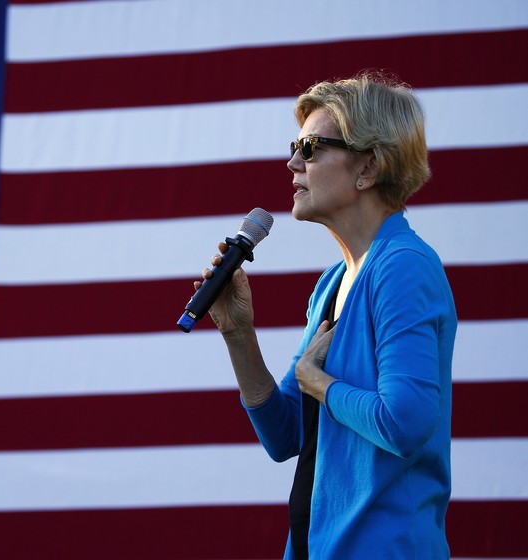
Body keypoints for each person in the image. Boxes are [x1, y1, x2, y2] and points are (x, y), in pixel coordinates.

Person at [196, 72, 457, 558]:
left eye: (311, 147)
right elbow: (285, 435)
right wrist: (239, 334)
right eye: (295, 145)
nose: (293, 161)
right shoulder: (331, 284)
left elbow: (406, 422)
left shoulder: (402, 267)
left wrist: (316, 382)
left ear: (368, 168)